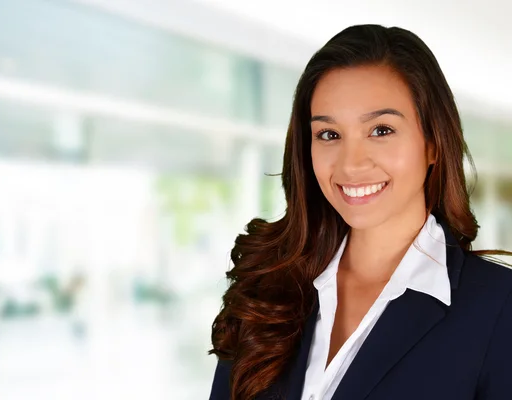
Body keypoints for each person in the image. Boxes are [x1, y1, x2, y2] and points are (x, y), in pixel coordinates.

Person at [208, 24, 512, 400]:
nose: (351, 165)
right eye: (329, 134)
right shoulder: (265, 289)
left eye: (381, 130)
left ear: (432, 144)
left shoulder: (499, 308)